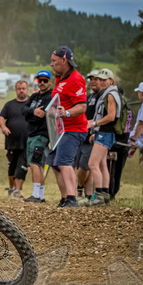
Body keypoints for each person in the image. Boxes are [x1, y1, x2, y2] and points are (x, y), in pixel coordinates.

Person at [47, 46, 88, 208]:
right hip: (60, 130)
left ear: (64, 60)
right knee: (55, 163)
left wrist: (67, 113)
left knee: (64, 161)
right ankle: (64, 198)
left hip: (73, 129)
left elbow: (82, 106)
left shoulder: (76, 79)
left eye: (54, 61)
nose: (51, 64)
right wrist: (50, 111)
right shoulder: (60, 78)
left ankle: (72, 198)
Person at [85, 68, 121, 206]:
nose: (101, 82)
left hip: (105, 132)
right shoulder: (109, 93)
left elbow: (111, 116)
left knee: (92, 164)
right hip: (105, 132)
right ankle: (105, 194)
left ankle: (98, 195)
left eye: (104, 80)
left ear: (111, 81)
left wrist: (94, 123)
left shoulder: (110, 95)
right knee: (102, 164)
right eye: (100, 79)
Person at [23, 70, 54, 203]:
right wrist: (32, 111)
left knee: (34, 163)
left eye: (45, 80)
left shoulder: (50, 97)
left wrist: (31, 114)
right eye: (39, 80)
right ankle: (40, 195)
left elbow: (41, 115)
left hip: (41, 134)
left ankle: (35, 195)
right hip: (32, 134)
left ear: (50, 82)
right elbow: (23, 110)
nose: (41, 83)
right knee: (38, 165)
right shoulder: (35, 96)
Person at [0, 80, 30, 198]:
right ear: (16, 90)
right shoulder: (9, 104)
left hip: (27, 141)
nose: (21, 91)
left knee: (22, 166)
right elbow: (1, 118)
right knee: (12, 166)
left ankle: (17, 190)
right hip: (12, 141)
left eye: (23, 88)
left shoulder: (31, 104)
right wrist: (3, 127)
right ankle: (11, 188)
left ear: (27, 89)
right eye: (19, 89)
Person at [76, 70, 101, 200]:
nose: (93, 82)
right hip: (82, 135)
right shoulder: (89, 96)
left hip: (93, 136)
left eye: (95, 79)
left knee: (85, 166)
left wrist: (96, 131)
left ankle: (80, 188)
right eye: (91, 79)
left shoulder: (103, 97)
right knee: (84, 166)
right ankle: (88, 194)